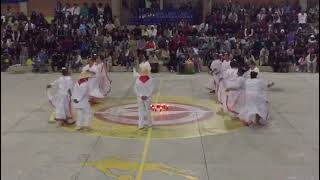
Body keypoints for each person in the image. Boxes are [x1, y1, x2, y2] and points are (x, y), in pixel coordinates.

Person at [134, 62, 154, 129]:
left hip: (140, 98)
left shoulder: (137, 79)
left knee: (141, 111)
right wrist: (147, 96)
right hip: (147, 98)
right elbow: (151, 89)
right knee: (148, 110)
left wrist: (140, 95)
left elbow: (136, 89)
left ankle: (141, 124)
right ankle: (149, 123)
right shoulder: (150, 79)